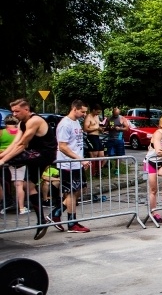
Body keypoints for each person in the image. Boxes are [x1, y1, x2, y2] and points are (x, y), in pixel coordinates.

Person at [0, 99, 58, 239]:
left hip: (44, 153)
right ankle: (41, 221)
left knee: (13, 159)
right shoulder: (21, 124)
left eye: (17, 111)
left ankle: (7, 197)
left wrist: (3, 160)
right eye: (13, 111)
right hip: (33, 154)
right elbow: (15, 143)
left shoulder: (34, 120)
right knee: (29, 186)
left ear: (26, 109)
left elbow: (22, 145)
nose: (14, 114)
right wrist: (2, 155)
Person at [55, 100, 91, 233]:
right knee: (70, 192)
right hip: (67, 163)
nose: (84, 114)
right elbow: (62, 146)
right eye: (82, 111)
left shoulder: (76, 122)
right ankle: (72, 223)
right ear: (74, 109)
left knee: (81, 189)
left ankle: (56, 212)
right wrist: (79, 159)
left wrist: (81, 160)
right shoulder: (65, 124)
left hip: (76, 163)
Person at [0, 116, 28, 214]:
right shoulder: (20, 132)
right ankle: (21, 208)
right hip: (18, 159)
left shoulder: (2, 132)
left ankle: (4, 205)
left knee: (3, 183)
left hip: (3, 160)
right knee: (19, 184)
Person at [83, 104, 104, 175]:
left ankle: (99, 171)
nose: (98, 114)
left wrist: (100, 129)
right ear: (93, 110)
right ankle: (93, 172)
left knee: (101, 154)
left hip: (97, 136)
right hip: (91, 137)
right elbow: (85, 129)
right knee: (94, 155)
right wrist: (96, 128)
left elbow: (97, 126)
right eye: (97, 112)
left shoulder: (97, 116)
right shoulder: (88, 117)